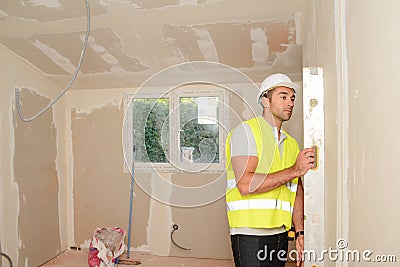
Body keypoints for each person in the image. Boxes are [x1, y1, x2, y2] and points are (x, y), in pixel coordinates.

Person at [225, 73, 315, 267]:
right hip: (250, 234)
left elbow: (296, 190)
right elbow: (245, 185)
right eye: (283, 96)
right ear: (265, 100)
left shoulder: (291, 144)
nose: (290, 103)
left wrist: (300, 232)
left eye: (292, 98)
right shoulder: (246, 132)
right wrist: (294, 170)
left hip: (280, 234)